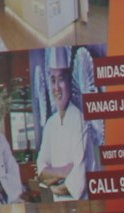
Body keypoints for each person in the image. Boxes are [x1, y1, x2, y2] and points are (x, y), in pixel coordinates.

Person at [34, 47, 89, 200]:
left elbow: (78, 183)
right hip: (57, 208)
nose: (56, 87)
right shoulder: (50, 125)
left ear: (70, 81)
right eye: (53, 80)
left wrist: (52, 186)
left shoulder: (79, 120)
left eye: (61, 79)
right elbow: (40, 172)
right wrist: (64, 171)